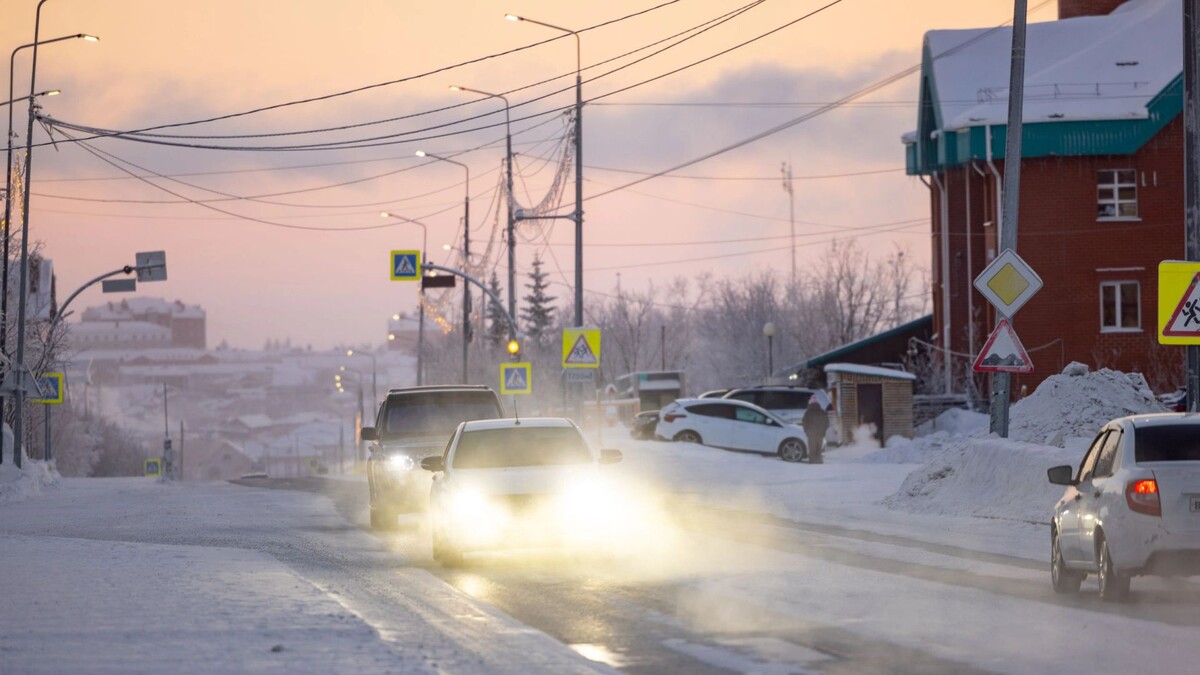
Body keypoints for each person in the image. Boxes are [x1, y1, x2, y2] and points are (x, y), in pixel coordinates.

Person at [802, 398, 829, 464]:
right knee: (819, 447)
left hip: (811, 433)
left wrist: (807, 431)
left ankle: (812, 460)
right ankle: (819, 460)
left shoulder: (808, 412)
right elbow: (827, 423)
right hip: (820, 433)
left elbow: (804, 422)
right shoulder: (822, 412)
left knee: (812, 447)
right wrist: (823, 430)